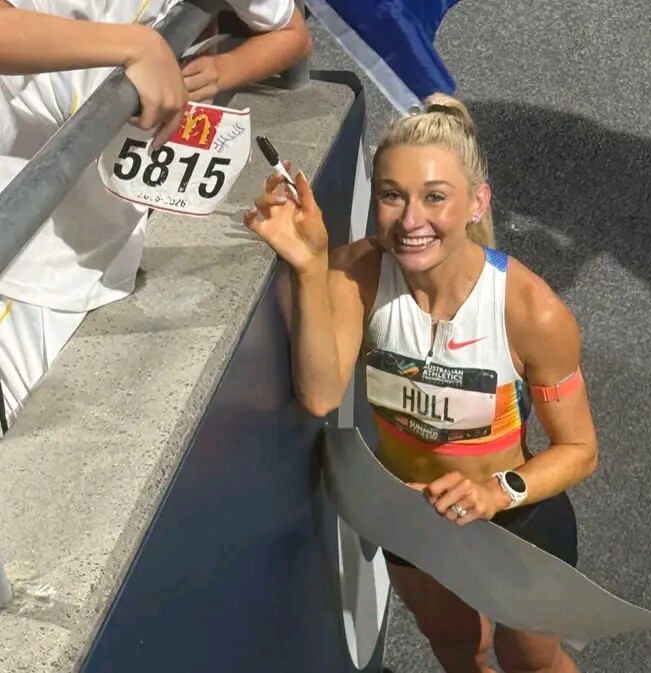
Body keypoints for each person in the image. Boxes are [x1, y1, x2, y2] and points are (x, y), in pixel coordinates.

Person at [244, 94, 599, 673]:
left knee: (531, 661)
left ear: (476, 202)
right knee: (458, 648)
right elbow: (321, 394)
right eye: (392, 195)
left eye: (435, 197)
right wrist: (310, 266)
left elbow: (580, 450)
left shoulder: (531, 311)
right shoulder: (358, 272)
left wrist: (497, 492)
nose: (411, 221)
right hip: (412, 515)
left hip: (513, 518)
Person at [0, 0, 311, 435]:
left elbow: (292, 32)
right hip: (23, 258)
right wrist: (136, 45)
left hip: (104, 244)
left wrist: (223, 70)